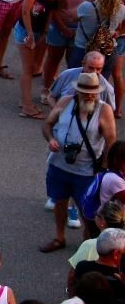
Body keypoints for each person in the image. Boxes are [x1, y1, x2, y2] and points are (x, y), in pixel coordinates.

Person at [42, 70, 115, 252]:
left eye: (93, 91)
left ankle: (87, 244)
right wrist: (50, 138)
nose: (90, 95)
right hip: (59, 164)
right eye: (85, 91)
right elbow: (47, 124)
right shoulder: (65, 102)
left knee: (88, 210)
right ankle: (59, 237)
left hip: (87, 170)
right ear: (77, 91)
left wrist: (103, 167)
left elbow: (111, 140)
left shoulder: (103, 110)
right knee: (60, 201)